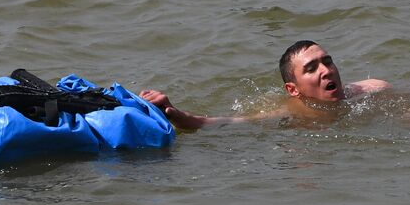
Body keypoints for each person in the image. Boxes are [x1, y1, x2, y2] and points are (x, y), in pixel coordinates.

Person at [141, 40, 389, 130]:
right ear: (293, 90)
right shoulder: (292, 112)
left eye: (327, 61)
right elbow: (224, 123)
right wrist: (177, 114)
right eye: (312, 68)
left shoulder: (372, 89)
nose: (326, 71)